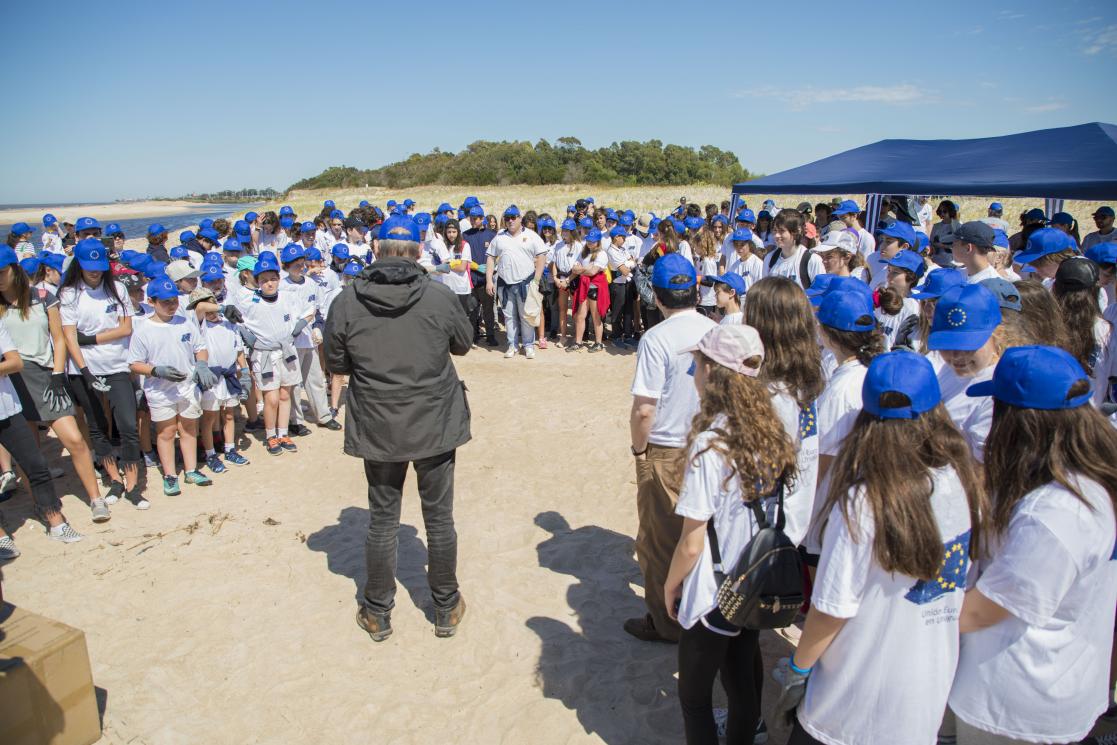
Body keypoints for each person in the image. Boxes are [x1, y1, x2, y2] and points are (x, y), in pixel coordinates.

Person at [777, 350, 984, 745]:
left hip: (849, 704)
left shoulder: (864, 500)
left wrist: (798, 669)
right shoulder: (961, 480)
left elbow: (831, 609)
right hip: (923, 696)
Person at [951, 346, 1117, 744]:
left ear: (1022, 422)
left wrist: (903, 622)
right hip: (1046, 688)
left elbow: (983, 611)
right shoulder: (1084, 479)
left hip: (1015, 708)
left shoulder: (1056, 513)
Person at [323, 215, 473, 642]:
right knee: (438, 519)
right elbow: (462, 343)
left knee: (383, 519)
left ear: (376, 249)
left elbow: (336, 362)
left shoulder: (348, 299)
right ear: (418, 250)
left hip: (381, 421)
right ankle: (444, 606)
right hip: (433, 419)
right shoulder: (438, 296)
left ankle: (378, 610)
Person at [664, 323, 798, 745]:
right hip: (753, 580)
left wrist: (670, 586)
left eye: (699, 365)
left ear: (716, 374)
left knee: (694, 698)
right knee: (743, 688)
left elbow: (691, 541)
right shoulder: (770, 430)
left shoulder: (710, 445)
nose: (693, 374)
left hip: (714, 592)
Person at [628, 253, 717, 643]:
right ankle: (702, 615)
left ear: (658, 297)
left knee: (659, 541)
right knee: (701, 535)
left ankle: (666, 624)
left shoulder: (656, 338)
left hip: (664, 450)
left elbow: (644, 409)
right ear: (695, 291)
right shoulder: (714, 330)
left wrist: (638, 451)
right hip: (710, 446)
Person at [0, 247, 110, 523]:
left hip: (45, 374)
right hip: (10, 380)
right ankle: (44, 505)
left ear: (15, 269)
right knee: (29, 454)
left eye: (2, 272)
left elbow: (58, 337)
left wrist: (58, 372)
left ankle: (96, 498)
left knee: (74, 439)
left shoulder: (42, 296)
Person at [59, 238, 142, 507]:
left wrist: (91, 339)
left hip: (117, 365)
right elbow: (70, 337)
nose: (95, 271)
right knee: (97, 428)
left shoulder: (116, 288)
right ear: (79, 265)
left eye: (99, 266)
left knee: (128, 425)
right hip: (84, 369)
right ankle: (114, 480)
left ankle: (132, 484)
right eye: (89, 266)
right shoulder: (70, 293)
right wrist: (84, 370)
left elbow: (125, 329)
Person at [0, 318, 83, 559]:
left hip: (8, 408)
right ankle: (2, 537)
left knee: (36, 465)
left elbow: (15, 362)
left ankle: (56, 522)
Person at [127, 276, 216, 496]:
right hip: (160, 390)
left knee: (188, 429)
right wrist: (156, 371)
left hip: (187, 387)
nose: (171, 305)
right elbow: (134, 363)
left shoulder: (185, 321)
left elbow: (200, 347)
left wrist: (202, 365)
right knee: (166, 432)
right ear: (152, 301)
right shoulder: (143, 329)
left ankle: (191, 470)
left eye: (174, 300)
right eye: (165, 302)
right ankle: (169, 474)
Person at [235, 252, 308, 456]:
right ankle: (270, 435)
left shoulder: (287, 297)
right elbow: (238, 322)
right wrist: (248, 338)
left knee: (286, 394)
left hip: (286, 351)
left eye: (273, 279)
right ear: (257, 281)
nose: (269, 284)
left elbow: (305, 313)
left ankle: (283, 433)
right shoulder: (250, 302)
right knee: (272, 398)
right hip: (265, 355)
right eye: (264, 280)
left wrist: (299, 327)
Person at [927, 284, 1002, 464]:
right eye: (947, 345)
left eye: (969, 346)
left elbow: (982, 473)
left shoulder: (997, 392)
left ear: (997, 334)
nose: (957, 356)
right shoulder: (949, 370)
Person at [278, 244, 340, 432]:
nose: (300, 267)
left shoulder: (311, 284)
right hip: (290, 340)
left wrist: (319, 328)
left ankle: (323, 415)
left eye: (301, 263)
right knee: (294, 383)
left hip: (309, 338)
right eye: (295, 264)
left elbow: (318, 310)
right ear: (287, 266)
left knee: (315, 378)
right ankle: (295, 420)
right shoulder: (282, 285)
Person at [485, 205, 548, 360]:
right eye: (507, 218)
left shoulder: (532, 236)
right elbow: (490, 258)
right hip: (505, 284)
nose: (510, 221)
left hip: (525, 283)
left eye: (514, 217)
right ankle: (512, 345)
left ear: (520, 218)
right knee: (509, 317)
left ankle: (528, 346)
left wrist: (536, 280)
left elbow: (541, 257)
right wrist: (489, 281)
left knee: (526, 316)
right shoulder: (499, 237)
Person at [462, 206, 498, 347]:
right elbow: (462, 257)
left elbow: (498, 255)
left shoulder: (491, 235)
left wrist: (492, 269)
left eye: (475, 218)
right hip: (471, 279)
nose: (473, 221)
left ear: (482, 218)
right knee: (472, 309)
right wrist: (475, 266)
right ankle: (473, 335)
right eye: (471, 218)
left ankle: (490, 335)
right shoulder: (465, 235)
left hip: (486, 279)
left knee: (488, 309)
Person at [763, 209, 824, 290]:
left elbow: (819, 294)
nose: (776, 235)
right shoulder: (770, 259)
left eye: (782, 231)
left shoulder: (812, 260)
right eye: (775, 230)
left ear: (796, 232)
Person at [570, 229, 610, 352]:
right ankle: (578, 342)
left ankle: (598, 343)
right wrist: (585, 269)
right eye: (588, 241)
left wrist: (581, 269)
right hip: (584, 286)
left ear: (598, 242)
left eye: (592, 242)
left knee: (596, 316)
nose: (589, 243)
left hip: (596, 287)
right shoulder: (584, 252)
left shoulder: (602, 254)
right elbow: (574, 269)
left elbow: (593, 271)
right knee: (580, 315)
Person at [930, 200, 961, 264]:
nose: (942, 214)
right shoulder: (936, 226)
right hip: (936, 261)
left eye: (945, 211)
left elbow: (960, 246)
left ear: (950, 211)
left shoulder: (958, 226)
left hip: (952, 262)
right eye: (940, 211)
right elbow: (931, 242)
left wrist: (943, 246)